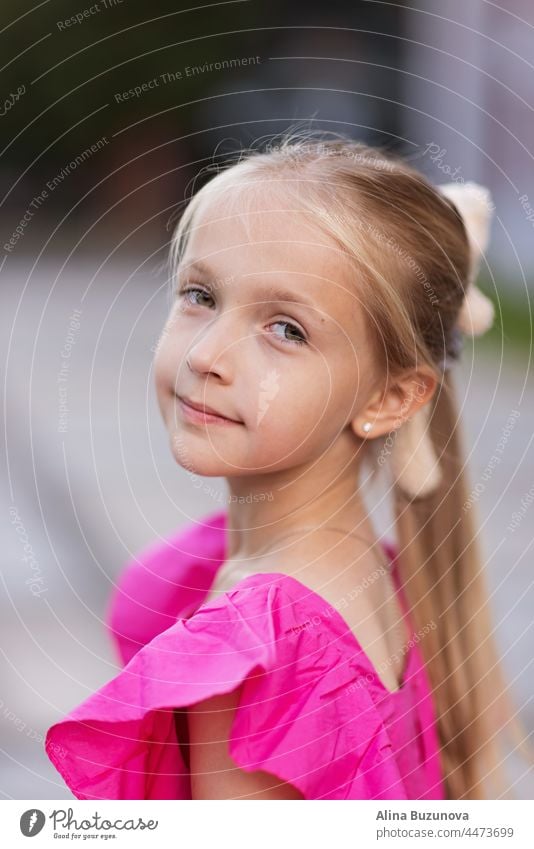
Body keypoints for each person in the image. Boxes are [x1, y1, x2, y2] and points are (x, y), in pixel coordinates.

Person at [45, 128, 531, 800]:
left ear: (391, 397)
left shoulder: (257, 642)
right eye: (200, 295)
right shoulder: (385, 573)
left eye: (287, 329)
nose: (206, 355)